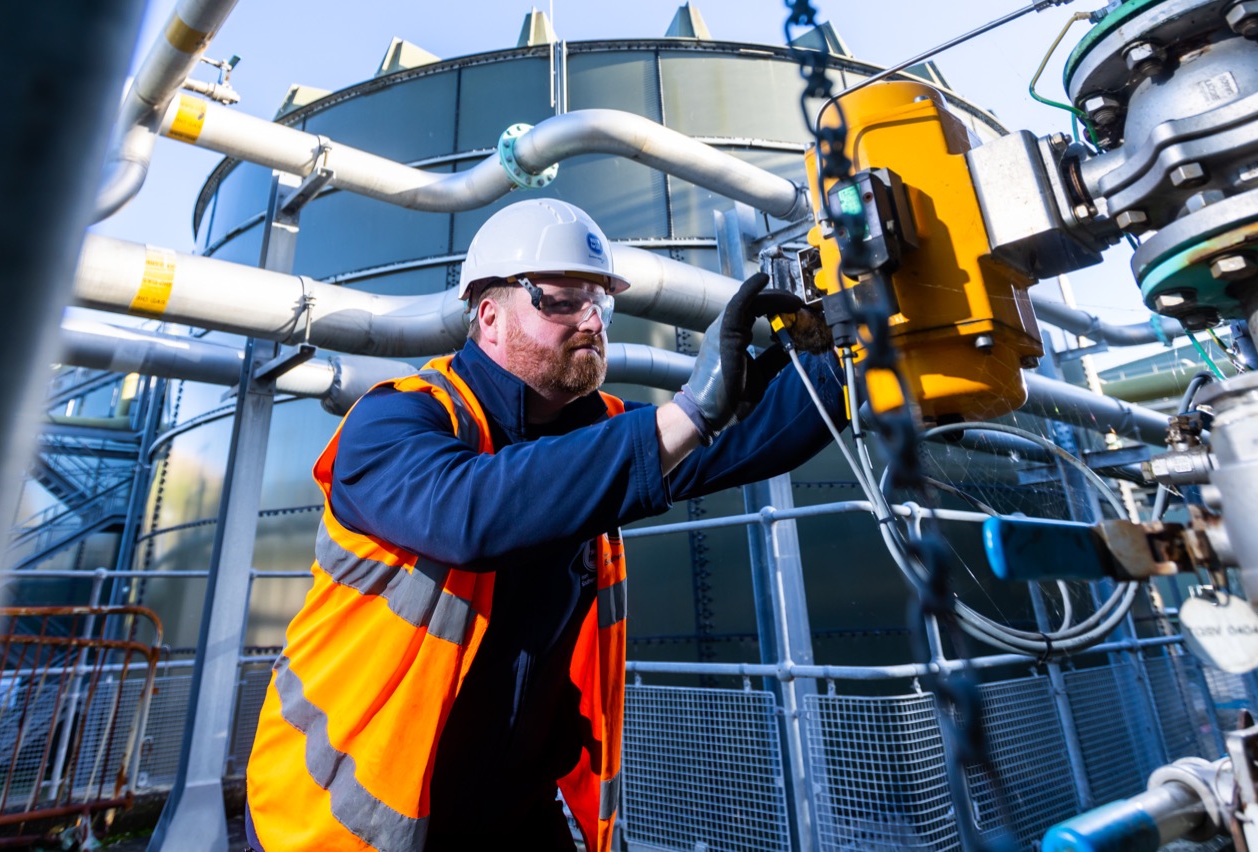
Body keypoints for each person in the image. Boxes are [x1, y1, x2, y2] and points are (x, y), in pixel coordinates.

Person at [245, 199, 845, 852]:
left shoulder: (595, 431)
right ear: (489, 315)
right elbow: (470, 515)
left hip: (513, 807)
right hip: (348, 815)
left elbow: (747, 439)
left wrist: (842, 344)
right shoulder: (396, 422)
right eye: (561, 300)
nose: (591, 320)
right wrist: (689, 411)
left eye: (600, 303)